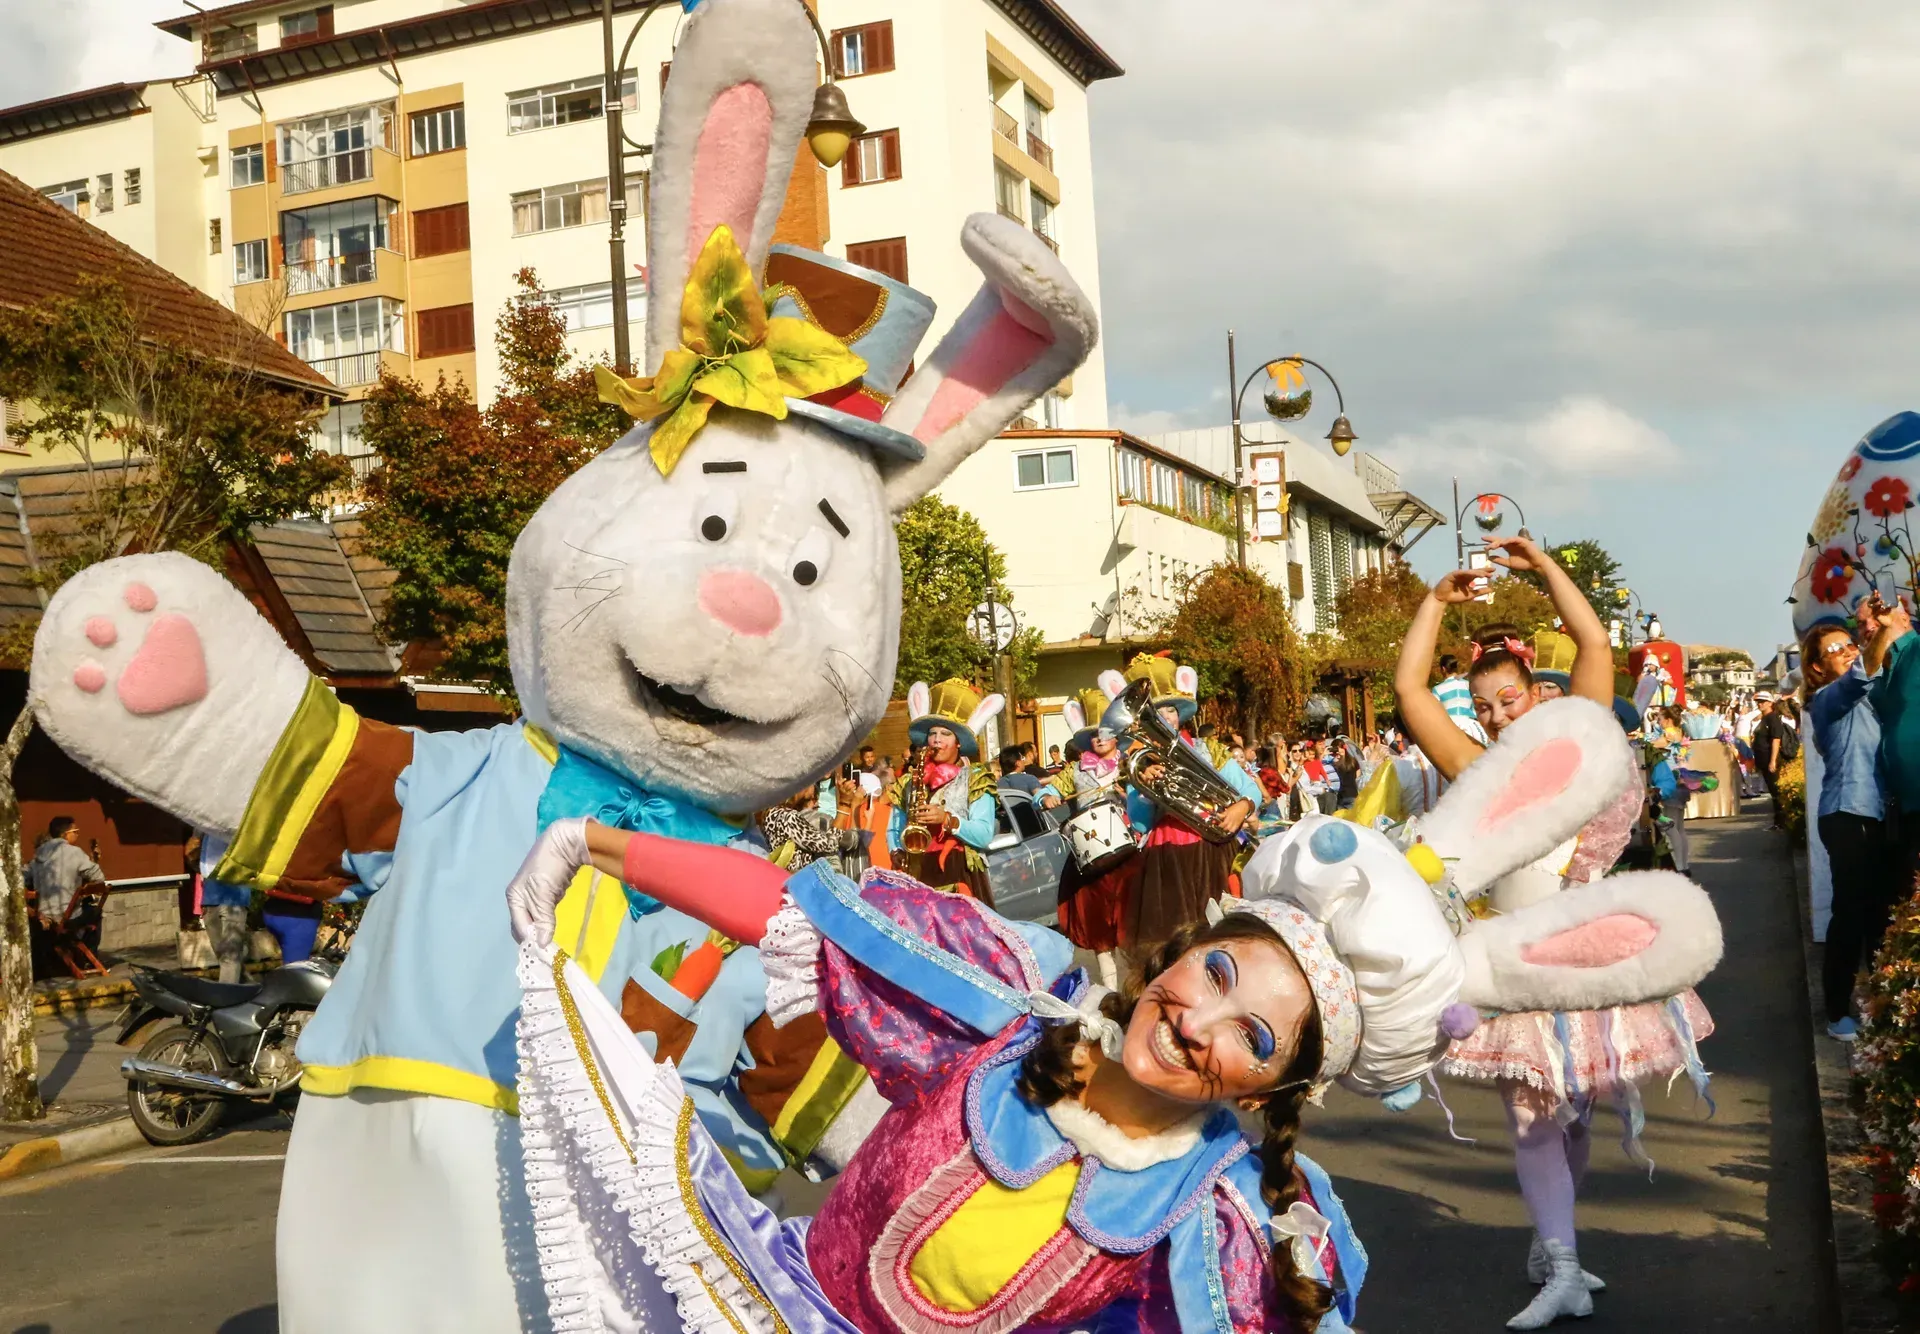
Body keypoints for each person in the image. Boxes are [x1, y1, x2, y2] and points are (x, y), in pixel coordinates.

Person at [1393, 534, 1715, 1329]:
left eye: (1511, 699)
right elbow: (1408, 690)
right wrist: (1434, 601)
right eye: (1486, 705)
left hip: (1586, 961)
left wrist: (1545, 571)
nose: (1500, 714)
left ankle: (1555, 1236)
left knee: (1574, 1112)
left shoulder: (1588, 747)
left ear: (1537, 695)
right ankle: (1563, 1261)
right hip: (1508, 971)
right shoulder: (1476, 769)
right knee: (1532, 1113)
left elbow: (1597, 642)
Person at [1804, 608, 1901, 1040]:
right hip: (1848, 813)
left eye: (1848, 643)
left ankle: (1880, 1004)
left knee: (1880, 914)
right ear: (1817, 666)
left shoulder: (1868, 698)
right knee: (1850, 914)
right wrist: (1879, 633)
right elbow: (1864, 672)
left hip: (1877, 813)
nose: (1845, 651)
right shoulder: (1827, 699)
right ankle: (1837, 1011)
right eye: (1834, 649)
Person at [1118, 653, 1259, 948]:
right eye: (1155, 712)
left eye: (1168, 710)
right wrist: (1145, 788)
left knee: (1222, 932)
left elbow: (1250, 789)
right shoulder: (1142, 762)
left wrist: (1241, 807)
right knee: (1173, 938)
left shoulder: (1210, 750)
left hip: (1214, 846)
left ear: (1179, 715)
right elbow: (1141, 823)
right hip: (1168, 857)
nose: (1163, 718)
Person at [1047, 678, 1142, 990]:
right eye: (1093, 735)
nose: (1099, 739)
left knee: (1132, 922)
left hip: (1128, 853)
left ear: (1116, 737)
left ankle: (1139, 985)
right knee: (1099, 928)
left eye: (1105, 733)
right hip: (1090, 857)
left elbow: (1147, 799)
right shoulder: (1074, 770)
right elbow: (1045, 791)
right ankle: (1112, 990)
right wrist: (1045, 797)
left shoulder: (1130, 764)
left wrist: (1128, 793)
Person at [889, 679, 1002, 901]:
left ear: (959, 742)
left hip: (958, 873)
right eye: (933, 734)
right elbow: (893, 829)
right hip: (917, 875)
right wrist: (896, 851)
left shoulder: (976, 778)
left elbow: (984, 835)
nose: (937, 740)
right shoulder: (910, 781)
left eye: (946, 734)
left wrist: (947, 819)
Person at [26, 816, 106, 972]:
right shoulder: (75, 853)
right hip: (67, 917)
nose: (77, 835)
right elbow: (99, 878)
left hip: (42, 916)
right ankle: (89, 959)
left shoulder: (39, 854)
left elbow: (23, 877)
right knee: (96, 912)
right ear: (65, 834)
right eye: (75, 831)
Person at [1751, 693, 1795, 828]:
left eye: (1763, 702)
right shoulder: (1764, 718)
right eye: (1758, 702)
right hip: (1763, 759)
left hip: (1769, 758)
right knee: (1773, 791)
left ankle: (1781, 821)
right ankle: (1778, 821)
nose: (1760, 704)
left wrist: (1773, 761)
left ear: (1770, 703)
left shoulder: (1772, 719)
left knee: (1776, 791)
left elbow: (1776, 740)